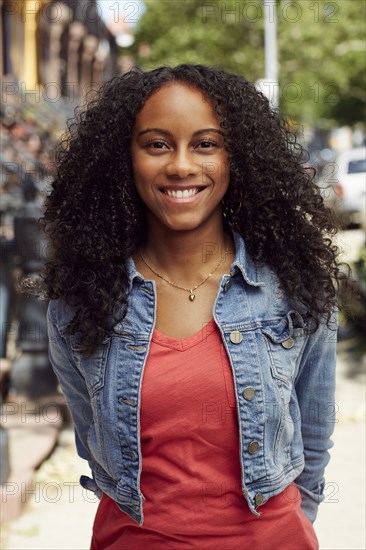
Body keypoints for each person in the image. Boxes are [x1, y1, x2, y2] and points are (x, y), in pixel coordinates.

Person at [43, 65, 342, 549]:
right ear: (125, 158)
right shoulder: (80, 301)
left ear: (236, 157)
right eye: (157, 144)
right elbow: (94, 448)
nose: (181, 165)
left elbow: (312, 440)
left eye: (206, 144)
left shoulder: (295, 289)